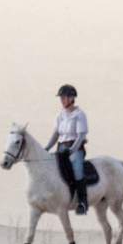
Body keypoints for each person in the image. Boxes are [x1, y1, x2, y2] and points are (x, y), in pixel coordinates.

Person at [45, 84, 89, 214]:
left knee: (77, 170)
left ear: (72, 98)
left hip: (75, 148)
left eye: (65, 98)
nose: (62, 100)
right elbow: (55, 135)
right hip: (61, 148)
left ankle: (82, 201)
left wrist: (71, 150)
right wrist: (46, 148)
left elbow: (81, 136)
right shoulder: (60, 116)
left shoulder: (79, 114)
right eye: (61, 98)